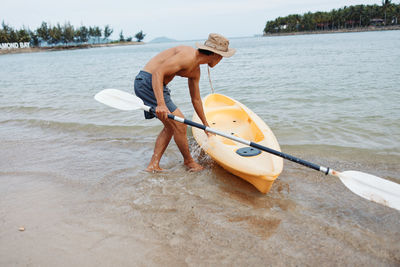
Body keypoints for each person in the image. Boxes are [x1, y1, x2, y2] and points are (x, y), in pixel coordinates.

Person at [134, 33, 236, 172]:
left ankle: (153, 165)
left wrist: (206, 126)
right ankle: (189, 162)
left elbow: (196, 99)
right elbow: (158, 72)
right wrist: (161, 104)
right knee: (180, 124)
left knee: (171, 127)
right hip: (147, 82)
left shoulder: (195, 71)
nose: (221, 60)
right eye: (221, 57)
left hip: (158, 86)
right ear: (215, 55)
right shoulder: (188, 56)